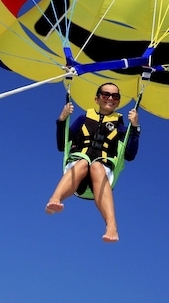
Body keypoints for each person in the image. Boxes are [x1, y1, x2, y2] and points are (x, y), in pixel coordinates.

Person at [45, 82, 140, 242]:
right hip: (77, 170)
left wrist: (135, 128)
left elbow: (129, 155)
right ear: (97, 99)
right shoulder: (83, 119)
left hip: (103, 174)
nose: (110, 98)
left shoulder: (121, 127)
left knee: (96, 165)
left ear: (118, 101)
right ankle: (55, 198)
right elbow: (62, 145)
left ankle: (111, 225)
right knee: (83, 162)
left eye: (115, 96)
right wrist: (62, 120)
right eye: (106, 94)